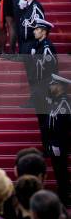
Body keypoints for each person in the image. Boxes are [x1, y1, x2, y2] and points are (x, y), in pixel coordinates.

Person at [44, 74, 70, 206]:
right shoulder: (56, 101)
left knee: (62, 172)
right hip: (55, 143)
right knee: (59, 171)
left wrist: (60, 143)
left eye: (53, 84)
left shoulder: (65, 103)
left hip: (61, 144)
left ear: (60, 87)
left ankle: (65, 198)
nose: (50, 86)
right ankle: (63, 196)